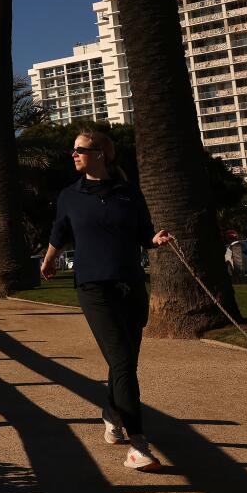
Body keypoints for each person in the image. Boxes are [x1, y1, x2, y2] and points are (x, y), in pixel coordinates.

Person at [40, 128, 170, 473]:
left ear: (101, 153)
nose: (74, 155)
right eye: (73, 151)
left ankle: (112, 415)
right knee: (122, 361)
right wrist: (49, 259)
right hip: (93, 286)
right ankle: (138, 445)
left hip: (130, 283)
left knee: (124, 362)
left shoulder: (128, 192)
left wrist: (155, 239)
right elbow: (59, 231)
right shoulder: (70, 195)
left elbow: (144, 233)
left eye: (80, 149)